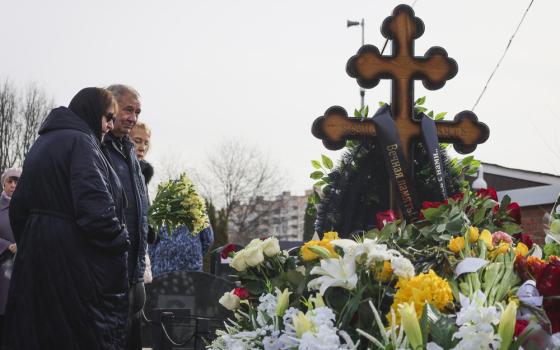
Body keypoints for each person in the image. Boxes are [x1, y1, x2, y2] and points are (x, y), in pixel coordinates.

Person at [4, 88, 129, 349]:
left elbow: (19, 209)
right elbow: (96, 212)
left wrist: (31, 243)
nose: (109, 125)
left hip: (37, 260)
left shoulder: (42, 143)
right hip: (73, 262)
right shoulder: (81, 143)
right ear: (92, 111)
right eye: (107, 117)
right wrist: (121, 239)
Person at [105, 84, 149, 350]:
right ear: (111, 106)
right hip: (109, 272)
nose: (133, 118)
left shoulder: (129, 151)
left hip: (134, 272)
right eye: (128, 109)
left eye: (138, 112)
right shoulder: (97, 145)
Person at [129, 121, 155, 284]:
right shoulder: (119, 170)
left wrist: (150, 226)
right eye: (137, 141)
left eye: (146, 143)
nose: (142, 148)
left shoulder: (142, 174)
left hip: (140, 253)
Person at [0, 167, 21, 346]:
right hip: (2, 264)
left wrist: (22, 244)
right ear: (4, 183)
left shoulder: (26, 207)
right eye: (10, 181)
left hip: (22, 263)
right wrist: (7, 246)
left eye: (17, 182)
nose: (13, 185)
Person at [149, 224, 214, 277]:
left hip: (189, 271)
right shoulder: (157, 210)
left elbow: (208, 239)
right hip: (164, 271)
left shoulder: (198, 210)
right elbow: (151, 240)